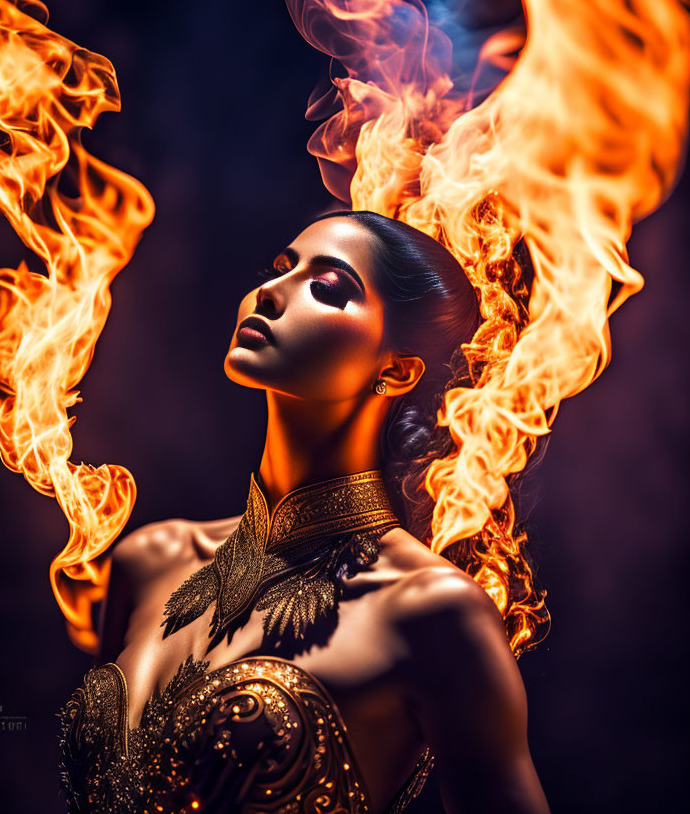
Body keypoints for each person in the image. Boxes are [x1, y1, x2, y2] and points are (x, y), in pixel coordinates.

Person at [57, 210, 551, 814]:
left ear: (395, 371)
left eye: (328, 288)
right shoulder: (147, 561)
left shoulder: (432, 611)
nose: (270, 291)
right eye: (280, 268)